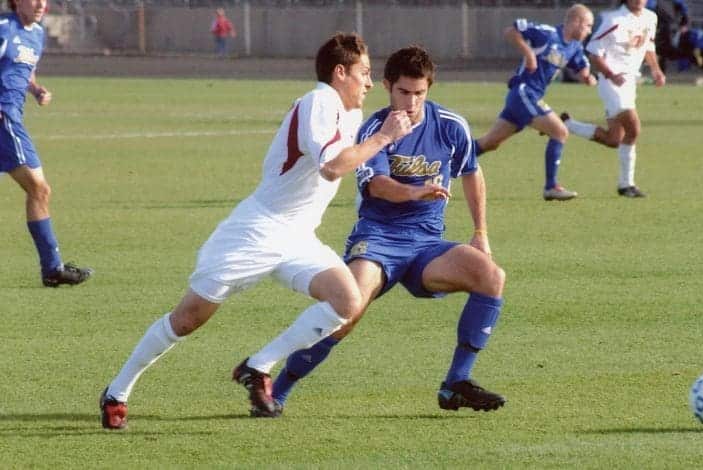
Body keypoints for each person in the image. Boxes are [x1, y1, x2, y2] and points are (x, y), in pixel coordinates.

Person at [99, 33, 413, 429]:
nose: (369, 82)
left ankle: (258, 366)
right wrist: (385, 136)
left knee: (347, 301)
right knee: (187, 319)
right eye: (364, 73)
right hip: (255, 231)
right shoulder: (320, 100)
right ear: (339, 73)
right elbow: (332, 166)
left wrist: (397, 119)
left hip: (297, 237)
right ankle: (117, 391)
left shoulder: (345, 112)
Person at [255, 45, 507, 417]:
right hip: (378, 240)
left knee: (491, 276)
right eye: (403, 92)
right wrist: (415, 191)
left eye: (419, 93)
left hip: (426, 246)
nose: (411, 101)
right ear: (388, 86)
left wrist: (480, 232)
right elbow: (377, 186)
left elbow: (472, 172)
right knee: (347, 310)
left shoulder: (451, 125)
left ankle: (455, 383)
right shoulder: (374, 128)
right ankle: (278, 390)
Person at [1, 0, 92, 287]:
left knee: (39, 190)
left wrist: (36, 88)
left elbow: (25, 68)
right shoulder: (4, 28)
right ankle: (52, 269)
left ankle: (52, 268)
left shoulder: (36, 33)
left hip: (13, 117)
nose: (41, 4)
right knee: (39, 188)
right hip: (4, 119)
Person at [474, 4, 596, 201]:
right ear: (576, 22)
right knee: (560, 131)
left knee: (490, 143)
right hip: (523, 92)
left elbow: (583, 69)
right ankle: (551, 187)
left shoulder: (574, 46)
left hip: (528, 98)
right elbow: (511, 31)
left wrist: (589, 77)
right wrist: (529, 53)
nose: (589, 30)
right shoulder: (547, 34)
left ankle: (446, 164)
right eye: (588, 25)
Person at [562, 0, 665, 198]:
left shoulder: (651, 18)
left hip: (630, 82)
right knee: (634, 128)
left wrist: (656, 70)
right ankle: (626, 185)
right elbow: (593, 52)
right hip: (612, 83)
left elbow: (648, 45)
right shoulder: (613, 20)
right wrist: (611, 75)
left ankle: (568, 124)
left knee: (614, 139)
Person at [645, 0, 689, 73]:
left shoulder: (675, 2)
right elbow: (648, 9)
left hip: (671, 28)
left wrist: (684, 24)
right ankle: (661, 72)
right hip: (658, 27)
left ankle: (685, 63)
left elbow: (684, 10)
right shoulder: (653, 2)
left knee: (668, 50)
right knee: (660, 51)